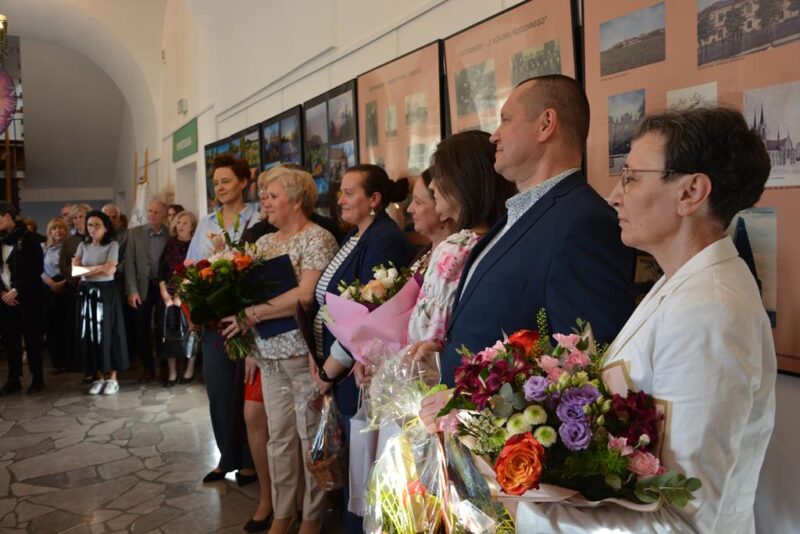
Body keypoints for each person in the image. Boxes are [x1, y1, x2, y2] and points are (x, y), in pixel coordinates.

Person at [518, 107, 777, 533]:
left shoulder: (710, 312)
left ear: (691, 192)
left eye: (631, 178)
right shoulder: (680, 284)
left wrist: (526, 514)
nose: (614, 196)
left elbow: (683, 518)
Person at [420, 75, 636, 426]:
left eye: (505, 120)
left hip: (508, 446)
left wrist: (475, 400)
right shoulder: (517, 215)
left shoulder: (584, 222)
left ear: (546, 124)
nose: (494, 136)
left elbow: (587, 372)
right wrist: (449, 352)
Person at [222, 165, 338, 534]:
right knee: (279, 439)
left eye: (272, 196)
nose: (265, 202)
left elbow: (305, 295)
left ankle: (312, 518)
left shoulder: (317, 238)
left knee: (309, 438)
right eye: (264, 196)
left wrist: (251, 315)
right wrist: (250, 339)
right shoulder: (265, 244)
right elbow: (251, 295)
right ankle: (283, 513)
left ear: (297, 200)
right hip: (268, 354)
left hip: (303, 355)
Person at [310, 164, 413, 533]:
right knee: (352, 467)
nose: (340, 200)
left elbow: (369, 315)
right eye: (341, 192)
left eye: (349, 192)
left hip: (356, 368)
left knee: (362, 469)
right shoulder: (355, 235)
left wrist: (329, 369)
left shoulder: (384, 239)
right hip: (337, 365)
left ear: (374, 199)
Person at [186, 154, 259, 485]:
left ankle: (250, 462)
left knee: (244, 392)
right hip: (215, 318)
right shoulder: (206, 222)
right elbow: (192, 266)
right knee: (218, 391)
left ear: (243, 182)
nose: (220, 187)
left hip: (246, 317)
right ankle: (226, 457)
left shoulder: (256, 217)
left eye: (226, 181)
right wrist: (193, 308)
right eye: (216, 183)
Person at [72, 210, 129, 395]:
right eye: (90, 225)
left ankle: (112, 378)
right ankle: (99, 377)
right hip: (87, 292)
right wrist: (99, 268)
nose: (93, 229)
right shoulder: (82, 245)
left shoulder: (112, 245)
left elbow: (110, 271)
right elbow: (75, 272)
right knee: (91, 334)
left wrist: (86, 269)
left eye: (97, 225)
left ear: (105, 227)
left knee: (109, 333)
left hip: (106, 292)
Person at [0, 202, 45, 394]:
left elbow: (36, 268)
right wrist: (2, 292)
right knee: (11, 340)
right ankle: (13, 378)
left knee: (32, 338)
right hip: (5, 298)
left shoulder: (29, 238)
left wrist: (17, 289)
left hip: (28, 297)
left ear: (7, 216)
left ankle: (37, 378)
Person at [124, 200, 169, 383]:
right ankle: (147, 367)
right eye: (150, 211)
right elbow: (129, 263)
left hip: (163, 287)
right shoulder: (135, 233)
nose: (152, 214)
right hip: (142, 287)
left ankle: (165, 366)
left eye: (156, 212)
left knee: (162, 326)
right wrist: (132, 290)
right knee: (141, 328)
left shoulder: (170, 234)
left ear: (164, 215)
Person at [157, 210, 197, 386]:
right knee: (169, 332)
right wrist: (164, 292)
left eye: (185, 223)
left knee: (191, 332)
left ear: (192, 227)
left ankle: (189, 369)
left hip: (189, 294)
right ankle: (172, 372)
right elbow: (161, 270)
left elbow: (196, 271)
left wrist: (181, 294)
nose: (180, 226)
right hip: (168, 294)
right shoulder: (170, 243)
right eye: (179, 222)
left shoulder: (195, 245)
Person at [59, 203, 92, 376]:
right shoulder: (70, 242)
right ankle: (81, 364)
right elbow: (64, 265)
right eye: (75, 218)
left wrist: (90, 274)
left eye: (81, 216)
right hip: (76, 289)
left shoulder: (97, 238)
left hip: (96, 286)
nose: (78, 220)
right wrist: (76, 278)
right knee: (78, 327)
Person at [41, 217, 70, 373]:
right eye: (54, 228)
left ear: (65, 230)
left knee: (67, 325)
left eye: (60, 228)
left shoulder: (70, 247)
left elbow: (76, 267)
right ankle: (57, 361)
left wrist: (64, 282)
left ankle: (69, 360)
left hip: (67, 286)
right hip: (49, 288)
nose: (57, 231)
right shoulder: (44, 248)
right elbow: (38, 269)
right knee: (52, 326)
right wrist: (51, 284)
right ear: (50, 232)